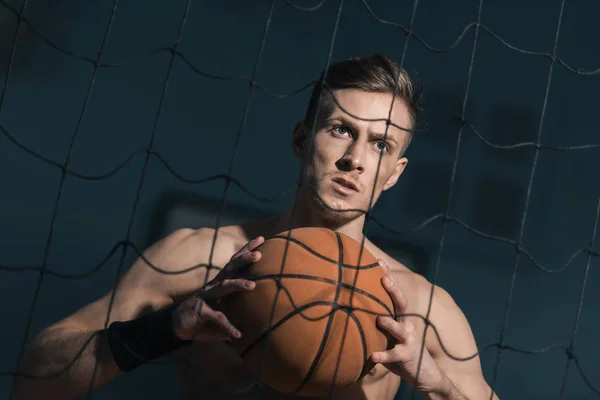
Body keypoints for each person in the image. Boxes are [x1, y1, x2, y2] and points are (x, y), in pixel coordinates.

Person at [12, 54, 499, 400]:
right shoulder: (196, 258)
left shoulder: (422, 308)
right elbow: (34, 378)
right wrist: (164, 330)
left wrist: (441, 389)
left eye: (380, 145)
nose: (354, 158)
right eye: (341, 129)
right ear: (301, 138)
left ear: (394, 172)